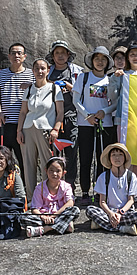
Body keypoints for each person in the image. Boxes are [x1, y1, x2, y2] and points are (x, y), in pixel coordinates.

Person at [73, 46, 117, 200]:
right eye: (97, 58)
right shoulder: (83, 77)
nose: (100, 62)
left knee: (103, 159)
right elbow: (76, 100)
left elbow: (115, 103)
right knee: (85, 158)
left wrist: (104, 111)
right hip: (85, 124)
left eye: (103, 59)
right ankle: (85, 191)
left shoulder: (110, 80)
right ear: (92, 61)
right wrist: (87, 116)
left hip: (105, 124)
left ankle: (101, 191)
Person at [16, 58, 64, 191]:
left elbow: (60, 112)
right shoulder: (29, 89)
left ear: (48, 70)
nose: (40, 71)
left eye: (43, 68)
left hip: (46, 130)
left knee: (48, 164)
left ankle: (49, 195)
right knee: (28, 164)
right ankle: (32, 197)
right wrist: (19, 131)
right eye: (36, 69)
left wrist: (56, 129)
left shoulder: (54, 88)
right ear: (33, 71)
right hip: (28, 129)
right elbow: (23, 112)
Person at [0, 43, 34, 177]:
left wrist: (31, 86)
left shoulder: (32, 74)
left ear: (24, 56)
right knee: (2, 159)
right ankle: (4, 185)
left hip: (25, 125)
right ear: (9, 56)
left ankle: (26, 187)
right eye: (13, 53)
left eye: (19, 53)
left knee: (24, 160)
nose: (16, 56)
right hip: (5, 123)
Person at [111, 41, 137, 187]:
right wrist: (114, 79)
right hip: (124, 121)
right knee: (126, 154)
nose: (135, 57)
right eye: (132, 54)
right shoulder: (122, 75)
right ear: (127, 57)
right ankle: (125, 188)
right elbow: (112, 96)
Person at [47, 40, 84, 190]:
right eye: (57, 53)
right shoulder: (47, 71)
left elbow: (83, 93)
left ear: (68, 54)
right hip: (51, 118)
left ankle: (70, 187)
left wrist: (70, 87)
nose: (60, 56)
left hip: (72, 117)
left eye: (63, 52)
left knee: (71, 154)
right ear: (53, 56)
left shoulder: (77, 71)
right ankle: (53, 187)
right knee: (53, 154)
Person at [86, 143, 137, 235]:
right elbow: (102, 202)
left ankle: (102, 224)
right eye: (113, 155)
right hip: (108, 210)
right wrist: (111, 214)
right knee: (90, 210)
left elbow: (131, 200)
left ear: (125, 158)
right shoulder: (104, 176)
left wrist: (120, 213)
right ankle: (123, 228)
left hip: (124, 211)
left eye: (120, 155)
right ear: (109, 158)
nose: (117, 158)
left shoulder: (131, 176)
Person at [23, 157, 80, 237]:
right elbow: (35, 208)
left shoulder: (66, 186)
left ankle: (45, 229)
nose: (54, 174)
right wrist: (43, 217)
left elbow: (70, 203)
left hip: (60, 215)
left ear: (63, 173)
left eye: (58, 171)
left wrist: (54, 215)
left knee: (75, 210)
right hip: (44, 217)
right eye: (51, 170)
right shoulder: (40, 188)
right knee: (22, 217)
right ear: (46, 171)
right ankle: (63, 225)